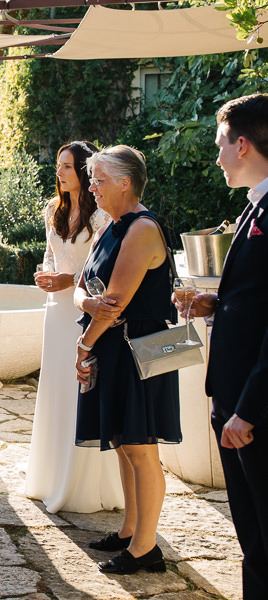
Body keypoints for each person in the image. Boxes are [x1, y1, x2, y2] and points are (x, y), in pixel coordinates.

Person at [73, 145, 181, 574]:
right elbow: (83, 287)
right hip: (114, 348)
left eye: (99, 179)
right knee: (123, 442)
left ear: (125, 182)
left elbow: (114, 301)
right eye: (92, 179)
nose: (92, 187)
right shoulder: (110, 227)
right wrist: (88, 305)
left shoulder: (141, 228)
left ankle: (146, 548)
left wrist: (83, 344)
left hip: (140, 350)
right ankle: (130, 529)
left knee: (141, 448)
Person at [181, 93, 268, 599]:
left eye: (220, 146)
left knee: (263, 534)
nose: (216, 159)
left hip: (253, 410)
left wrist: (248, 410)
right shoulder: (255, 205)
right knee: (252, 535)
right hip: (234, 398)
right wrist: (218, 305)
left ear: (243, 143)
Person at [25, 141, 124, 514]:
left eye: (66, 166)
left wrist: (70, 280)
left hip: (84, 309)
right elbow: (51, 253)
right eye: (58, 166)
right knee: (54, 385)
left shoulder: (101, 214)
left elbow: (102, 265)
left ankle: (83, 482)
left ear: (84, 170)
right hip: (55, 309)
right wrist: (46, 273)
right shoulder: (53, 208)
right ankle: (50, 475)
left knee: (81, 386)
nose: (60, 172)